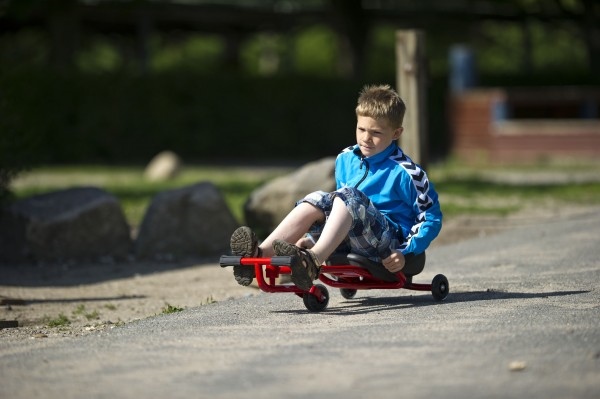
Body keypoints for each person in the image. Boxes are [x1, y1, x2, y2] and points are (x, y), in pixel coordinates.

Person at [229, 84, 442, 290]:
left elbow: (430, 217)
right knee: (317, 198)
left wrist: (405, 252)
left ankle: (312, 261)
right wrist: (313, 238)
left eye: (376, 133)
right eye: (361, 129)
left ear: (396, 133)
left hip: (388, 246)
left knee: (348, 195)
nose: (366, 138)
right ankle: (259, 255)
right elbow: (339, 211)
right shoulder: (346, 159)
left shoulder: (406, 172)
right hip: (352, 238)